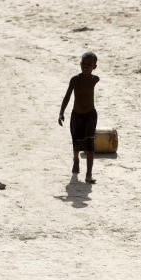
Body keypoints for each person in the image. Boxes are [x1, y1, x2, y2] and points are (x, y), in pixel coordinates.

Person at [58, 52, 100, 183]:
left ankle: (88, 174)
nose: (86, 67)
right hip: (76, 116)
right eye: (84, 64)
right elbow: (67, 96)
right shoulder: (75, 80)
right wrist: (61, 112)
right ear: (80, 64)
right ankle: (75, 160)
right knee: (76, 142)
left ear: (95, 66)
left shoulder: (95, 79)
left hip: (90, 115)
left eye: (89, 65)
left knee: (90, 145)